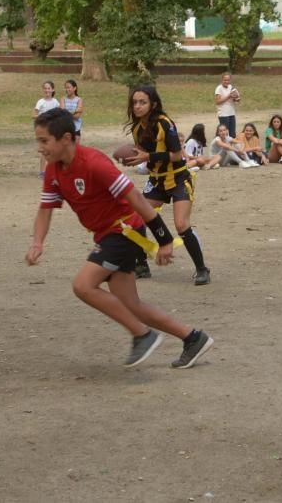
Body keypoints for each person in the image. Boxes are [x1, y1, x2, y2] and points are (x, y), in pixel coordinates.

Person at [26, 108, 214, 368]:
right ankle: (193, 338)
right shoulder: (54, 171)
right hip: (109, 234)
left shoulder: (93, 163)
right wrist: (37, 242)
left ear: (66, 138)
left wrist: (164, 238)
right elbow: (45, 209)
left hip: (124, 231)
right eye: (38, 141)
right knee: (130, 303)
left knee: (83, 285)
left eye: (44, 140)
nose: (40, 148)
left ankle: (143, 335)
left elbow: (135, 197)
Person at [124, 86, 212, 286]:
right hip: (157, 180)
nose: (137, 106)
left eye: (142, 102)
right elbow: (142, 151)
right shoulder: (137, 128)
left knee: (181, 224)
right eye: (135, 102)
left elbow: (177, 155)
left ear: (153, 104)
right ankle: (141, 265)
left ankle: (202, 269)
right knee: (135, 217)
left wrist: (148, 156)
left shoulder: (165, 124)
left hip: (178, 177)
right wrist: (132, 157)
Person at [33, 81, 59, 177]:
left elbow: (58, 114)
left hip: (52, 129)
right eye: (45, 88)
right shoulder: (40, 102)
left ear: (53, 90)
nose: (47, 90)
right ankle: (42, 171)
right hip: (43, 130)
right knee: (44, 151)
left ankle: (52, 171)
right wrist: (43, 117)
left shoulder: (55, 102)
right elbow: (34, 115)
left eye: (49, 88)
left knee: (52, 150)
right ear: (43, 90)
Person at [214, 73, 240, 140]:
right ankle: (220, 145)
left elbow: (237, 99)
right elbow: (217, 102)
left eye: (228, 80)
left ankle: (232, 148)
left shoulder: (231, 87)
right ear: (222, 80)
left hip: (231, 112)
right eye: (225, 80)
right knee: (224, 133)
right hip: (223, 114)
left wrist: (236, 99)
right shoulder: (219, 88)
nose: (226, 82)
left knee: (232, 133)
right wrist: (229, 96)